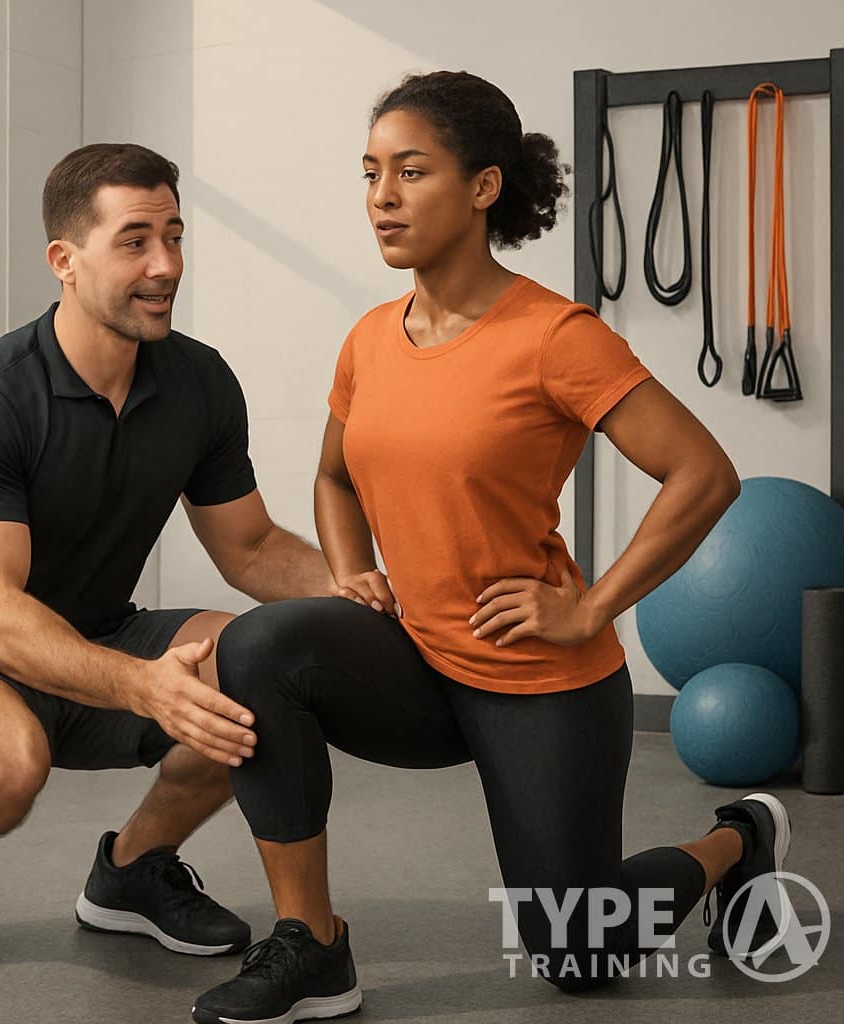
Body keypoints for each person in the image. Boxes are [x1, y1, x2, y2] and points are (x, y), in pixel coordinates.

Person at [190, 72, 794, 1024]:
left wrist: (590, 608)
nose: (382, 198)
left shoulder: (556, 336)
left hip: (535, 678)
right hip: (416, 664)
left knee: (576, 955)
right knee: (258, 648)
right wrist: (352, 573)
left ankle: (738, 840)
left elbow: (703, 474)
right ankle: (313, 945)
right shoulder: (368, 341)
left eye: (411, 171)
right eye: (370, 173)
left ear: (482, 188)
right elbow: (335, 476)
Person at [0, 142, 336, 970]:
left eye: (174, 236)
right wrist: (143, 685)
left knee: (267, 675)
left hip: (103, 633)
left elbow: (253, 547)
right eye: (134, 241)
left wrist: (364, 590)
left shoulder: (199, 382)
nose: (165, 265)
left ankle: (131, 871)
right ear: (66, 259)